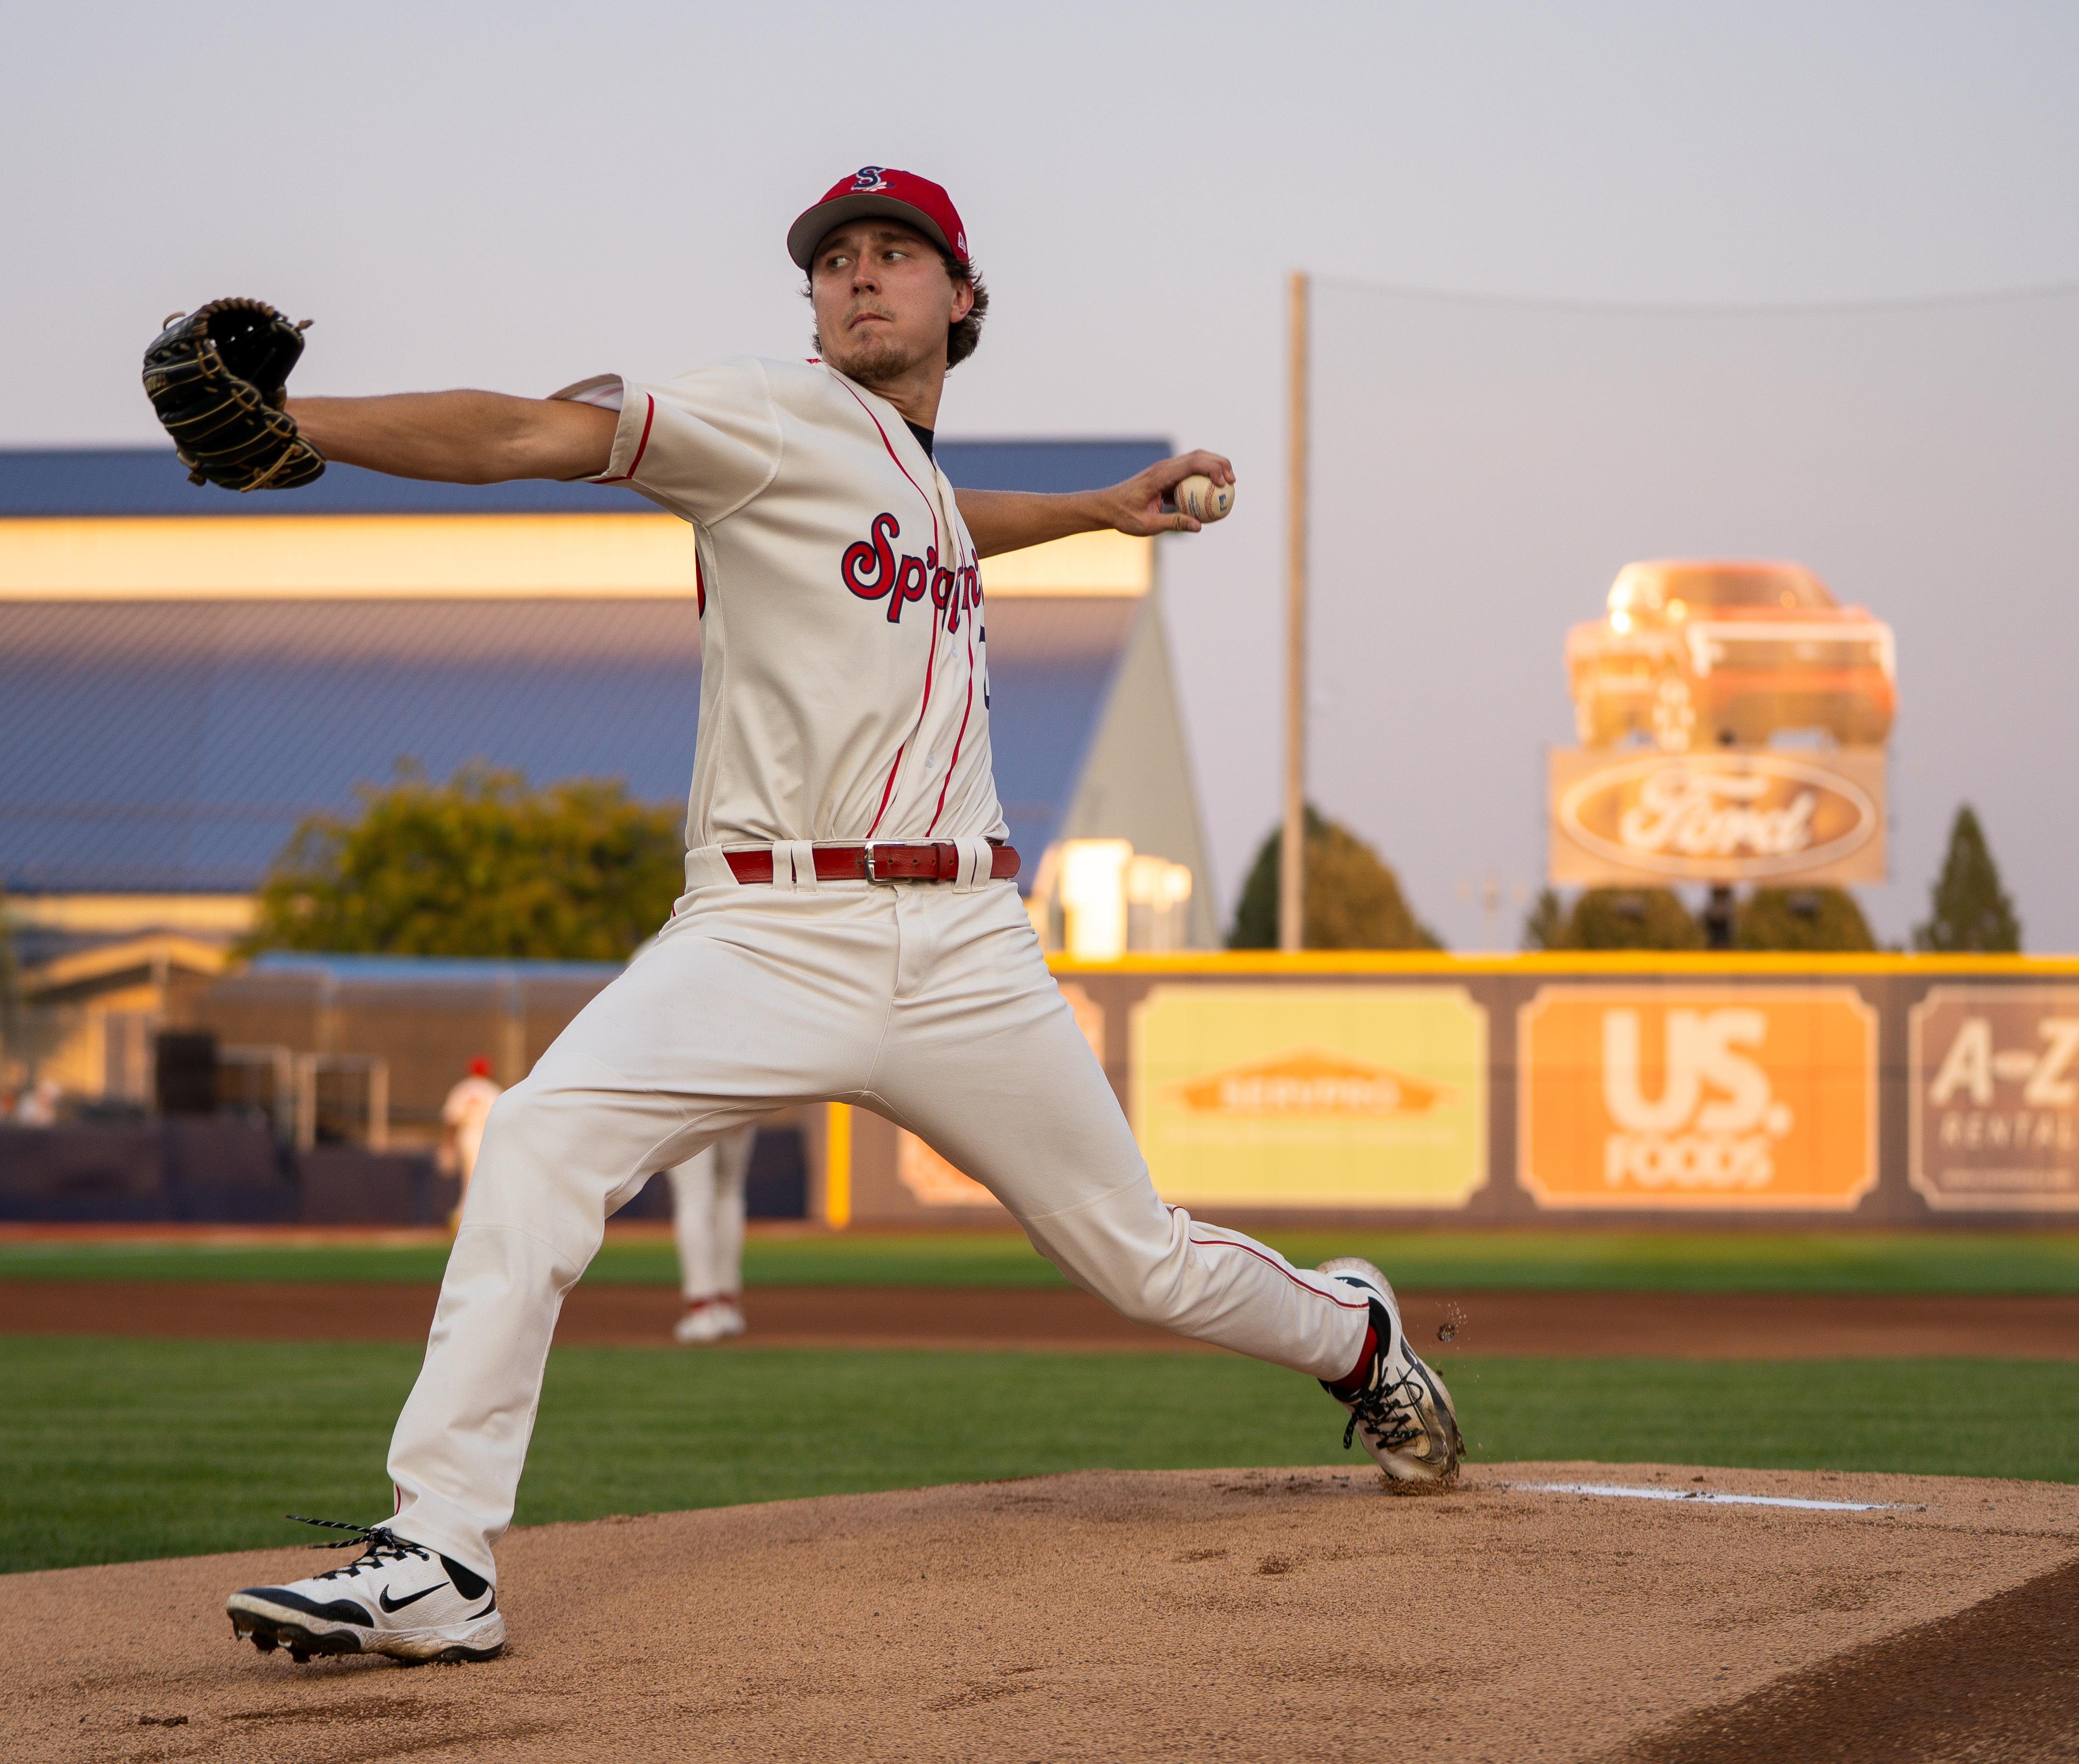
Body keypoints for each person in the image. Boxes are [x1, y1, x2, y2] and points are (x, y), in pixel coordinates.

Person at [223, 166, 1462, 1670]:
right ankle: (440, 1552)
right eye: (835, 259)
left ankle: (1357, 1337)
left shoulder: (906, 474)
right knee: (539, 1140)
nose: (860, 274)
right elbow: (528, 433)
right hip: (765, 933)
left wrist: (1092, 511)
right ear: (811, 302)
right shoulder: (765, 415)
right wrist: (301, 422)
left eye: (896, 252)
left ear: (962, 296)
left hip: (965, 947)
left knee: (1140, 1258)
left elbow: (940, 520)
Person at [668, 1121, 757, 1343]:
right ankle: (726, 1307)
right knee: (729, 1191)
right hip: (736, 1105)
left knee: (693, 1198)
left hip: (685, 1111)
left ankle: (702, 1311)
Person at [435, 1057, 503, 1223]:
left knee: (471, 1179)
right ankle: (465, 1216)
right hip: (486, 1136)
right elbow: (501, 1120)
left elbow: (451, 1120)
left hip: (466, 1136)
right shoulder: (492, 1089)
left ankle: (464, 1215)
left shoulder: (462, 1089)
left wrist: (448, 1145)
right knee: (480, 1179)